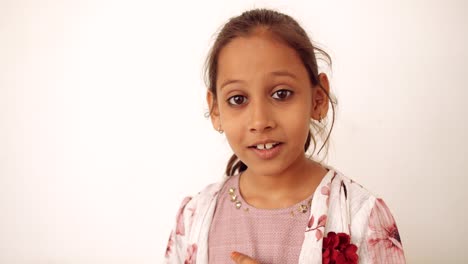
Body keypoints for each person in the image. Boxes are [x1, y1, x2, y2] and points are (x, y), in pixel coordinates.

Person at [164, 8, 406, 264]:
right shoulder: (194, 217)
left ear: (318, 98)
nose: (260, 121)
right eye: (238, 99)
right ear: (215, 110)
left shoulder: (362, 217)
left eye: (281, 94)